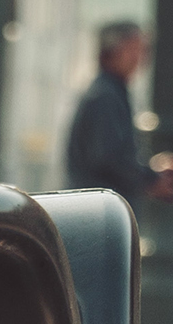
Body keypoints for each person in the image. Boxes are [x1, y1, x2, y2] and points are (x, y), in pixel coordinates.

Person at [65, 21, 154, 208]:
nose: (139, 58)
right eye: (132, 49)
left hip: (101, 208)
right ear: (111, 52)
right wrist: (150, 180)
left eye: (142, 50)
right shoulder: (105, 96)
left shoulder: (111, 92)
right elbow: (109, 158)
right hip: (100, 211)